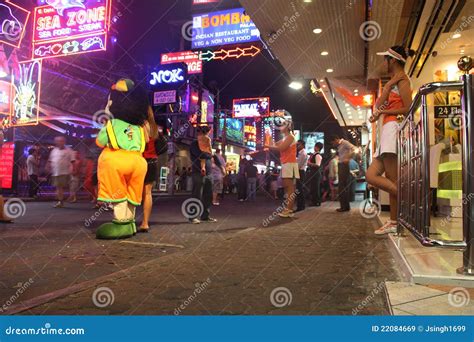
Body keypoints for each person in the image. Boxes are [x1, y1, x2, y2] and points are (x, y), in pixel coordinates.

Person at [367, 46, 414, 235]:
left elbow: (408, 108)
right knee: (372, 176)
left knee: (390, 179)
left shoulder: (402, 79)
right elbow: (381, 106)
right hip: (386, 129)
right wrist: (380, 111)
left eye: (385, 59)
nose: (384, 63)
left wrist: (385, 111)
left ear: (392, 60)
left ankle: (397, 219)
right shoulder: (394, 80)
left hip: (392, 129)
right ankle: (395, 221)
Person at [95, 79, 149, 239]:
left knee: (118, 192)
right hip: (138, 162)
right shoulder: (140, 128)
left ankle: (120, 223)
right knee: (132, 193)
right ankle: (131, 222)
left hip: (117, 160)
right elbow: (145, 142)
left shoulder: (112, 124)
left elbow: (100, 142)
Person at [265, 120, 299, 218]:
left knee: (290, 188)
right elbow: (274, 145)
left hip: (290, 164)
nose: (280, 128)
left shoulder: (290, 137)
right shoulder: (286, 138)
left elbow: (280, 148)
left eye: (282, 126)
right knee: (287, 187)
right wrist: (269, 134)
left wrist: (268, 145)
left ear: (287, 127)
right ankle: (288, 209)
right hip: (287, 164)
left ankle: (288, 209)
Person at [139, 107, 159, 232]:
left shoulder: (139, 125)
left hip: (140, 160)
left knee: (134, 191)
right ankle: (145, 222)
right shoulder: (154, 127)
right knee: (147, 193)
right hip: (153, 161)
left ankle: (127, 219)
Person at [189, 126, 216, 224]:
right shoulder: (194, 144)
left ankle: (205, 216)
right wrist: (210, 154)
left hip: (209, 173)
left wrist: (221, 167)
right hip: (198, 172)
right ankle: (192, 217)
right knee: (196, 195)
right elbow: (202, 155)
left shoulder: (208, 142)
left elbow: (212, 155)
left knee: (208, 195)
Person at [48, 136, 76, 208]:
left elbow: (73, 161)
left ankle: (61, 201)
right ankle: (62, 200)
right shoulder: (54, 150)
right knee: (59, 187)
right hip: (56, 172)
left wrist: (74, 169)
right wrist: (48, 166)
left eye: (61, 141)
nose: (59, 142)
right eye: (57, 141)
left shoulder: (69, 150)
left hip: (65, 172)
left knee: (60, 187)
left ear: (64, 142)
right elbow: (50, 160)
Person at [330, 136, 356, 212]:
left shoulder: (344, 142)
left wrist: (348, 158)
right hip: (341, 165)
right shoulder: (340, 145)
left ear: (335, 139)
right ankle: (345, 206)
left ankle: (344, 207)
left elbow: (354, 149)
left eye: (333, 142)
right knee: (343, 186)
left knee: (342, 186)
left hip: (344, 165)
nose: (333, 144)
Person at [296, 140, 308, 211]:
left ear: (303, 145)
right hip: (301, 171)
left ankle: (301, 206)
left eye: (298, 144)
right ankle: (301, 206)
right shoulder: (301, 153)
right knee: (299, 189)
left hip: (301, 172)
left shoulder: (303, 153)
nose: (297, 146)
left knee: (299, 190)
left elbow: (298, 165)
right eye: (297, 144)